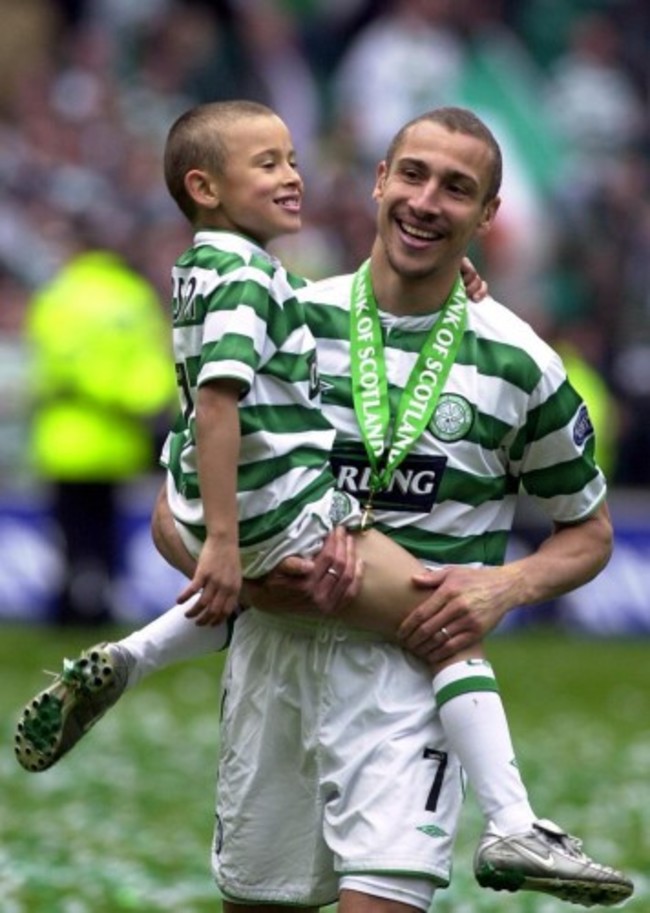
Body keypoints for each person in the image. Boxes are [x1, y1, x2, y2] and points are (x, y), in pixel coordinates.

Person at [15, 103, 633, 909]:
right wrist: (265, 578)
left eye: (457, 188)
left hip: (408, 674)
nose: (425, 201)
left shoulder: (522, 362)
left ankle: (510, 822)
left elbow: (588, 533)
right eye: (411, 174)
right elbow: (180, 508)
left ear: (487, 216)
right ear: (378, 182)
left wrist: (502, 587)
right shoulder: (290, 316)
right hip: (274, 660)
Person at [23, 245, 176, 625]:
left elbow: (49, 364)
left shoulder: (57, 295)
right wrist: (137, 403)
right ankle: (100, 604)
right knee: (106, 527)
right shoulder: (133, 297)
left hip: (64, 441)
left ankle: (69, 606)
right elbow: (152, 369)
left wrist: (90, 390)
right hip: (117, 441)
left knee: (69, 531)